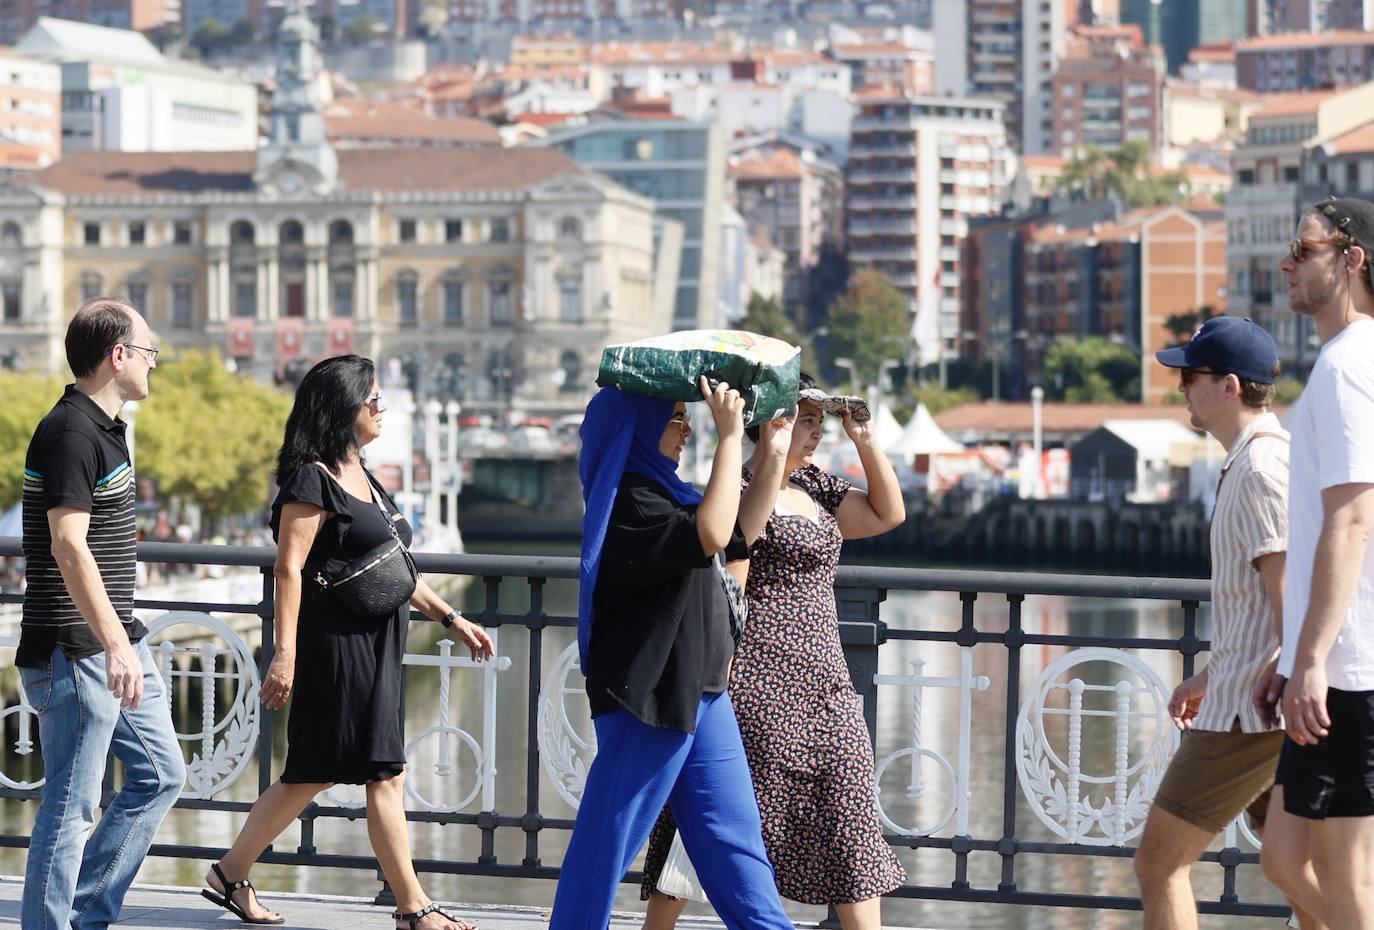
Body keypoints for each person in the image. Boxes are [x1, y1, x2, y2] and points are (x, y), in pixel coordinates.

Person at [200, 355, 495, 930]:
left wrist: (450, 617)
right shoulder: (311, 478)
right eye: (373, 401)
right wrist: (283, 653)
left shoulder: (361, 473)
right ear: (344, 408)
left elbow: (392, 568)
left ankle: (229, 874)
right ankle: (414, 909)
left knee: (315, 772)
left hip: (377, 642)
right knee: (378, 771)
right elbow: (288, 570)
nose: (381, 410)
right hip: (336, 647)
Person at [640, 375, 907, 930]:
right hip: (759, 679)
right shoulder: (739, 484)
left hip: (825, 680)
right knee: (718, 815)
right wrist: (717, 680)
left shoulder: (820, 488)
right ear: (770, 422)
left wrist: (864, 438)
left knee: (849, 812)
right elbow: (731, 577)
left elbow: (887, 515)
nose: (815, 433)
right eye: (804, 419)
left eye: (818, 421)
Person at [548, 376, 797, 930]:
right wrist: (729, 435)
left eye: (689, 419)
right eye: (677, 418)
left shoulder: (671, 493)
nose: (687, 429)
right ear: (638, 428)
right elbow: (710, 534)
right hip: (649, 699)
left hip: (703, 690)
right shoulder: (632, 500)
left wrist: (772, 452)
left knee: (736, 846)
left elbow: (737, 534)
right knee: (607, 843)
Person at [1133, 317, 1323, 930]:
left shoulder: (1262, 472)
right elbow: (1266, 614)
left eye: (1191, 376)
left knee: (1160, 862)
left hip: (1253, 714)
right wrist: (1210, 675)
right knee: (1294, 869)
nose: (1181, 387)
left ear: (1230, 386)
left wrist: (1244, 682)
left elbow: (1290, 595)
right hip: (1258, 699)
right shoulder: (1262, 461)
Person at [17, 297, 186, 930]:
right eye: (148, 353)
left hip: (113, 642)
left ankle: (87, 913)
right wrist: (115, 644)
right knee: (71, 806)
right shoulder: (70, 431)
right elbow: (67, 543)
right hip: (77, 649)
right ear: (118, 356)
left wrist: (121, 640)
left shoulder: (103, 426)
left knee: (161, 774)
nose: (153, 365)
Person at [1259, 196, 1374, 930]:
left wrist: (1311, 658)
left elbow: (1352, 518)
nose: (1287, 264)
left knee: (1343, 872)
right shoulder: (1343, 362)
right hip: (1333, 662)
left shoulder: (1347, 368)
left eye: (1303, 250)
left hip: (1350, 668)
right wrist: (1297, 651)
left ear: (1352, 259)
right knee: (1282, 857)